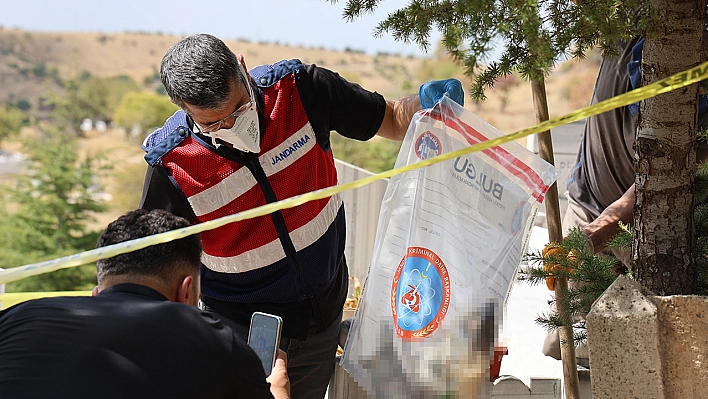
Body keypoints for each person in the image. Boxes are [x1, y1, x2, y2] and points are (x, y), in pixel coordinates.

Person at [138, 33, 463, 398]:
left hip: (320, 319)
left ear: (242, 69)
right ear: (184, 108)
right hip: (243, 336)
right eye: (214, 124)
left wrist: (424, 105)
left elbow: (387, 117)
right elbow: (156, 271)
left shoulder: (301, 91)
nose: (232, 128)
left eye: (239, 109)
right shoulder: (172, 165)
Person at [0, 209, 290, 399]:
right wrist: (278, 392)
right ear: (187, 291)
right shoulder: (209, 339)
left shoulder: (16, 319)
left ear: (96, 292)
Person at [544, 36, 708, 361]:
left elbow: (660, 177)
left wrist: (596, 233)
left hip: (652, 231)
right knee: (566, 346)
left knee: (652, 361)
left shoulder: (687, 54)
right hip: (589, 202)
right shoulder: (621, 26)